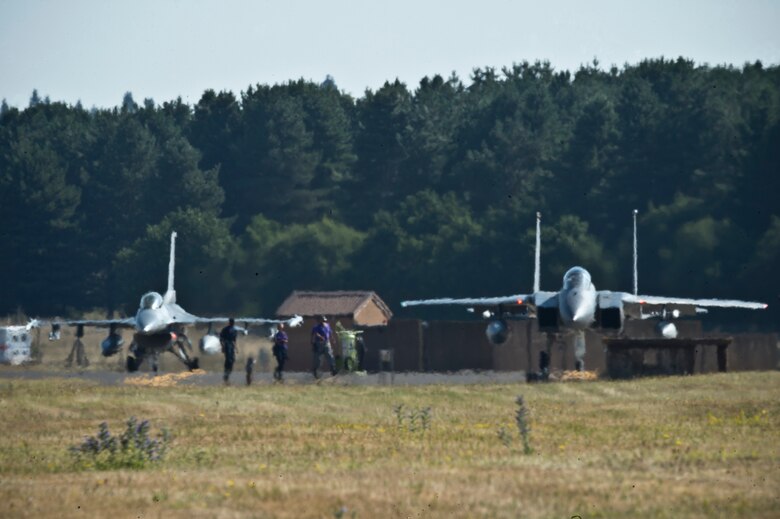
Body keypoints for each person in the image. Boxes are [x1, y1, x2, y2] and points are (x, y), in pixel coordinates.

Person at [219, 318, 239, 384]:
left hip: (231, 346)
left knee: (232, 360)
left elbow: (234, 340)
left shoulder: (234, 330)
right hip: (227, 346)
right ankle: (226, 373)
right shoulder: (225, 329)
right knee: (228, 360)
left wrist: (236, 348)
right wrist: (223, 346)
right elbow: (221, 338)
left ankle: (228, 372)